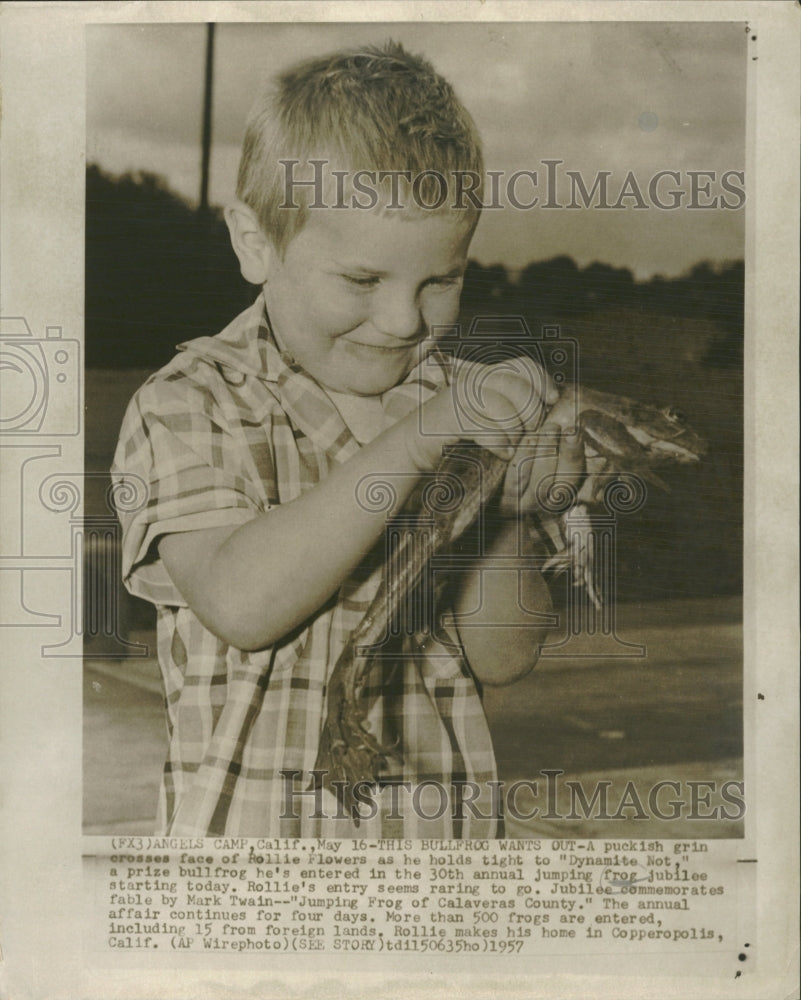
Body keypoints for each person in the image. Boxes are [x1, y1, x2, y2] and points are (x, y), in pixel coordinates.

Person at [112, 41, 583, 838]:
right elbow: (242, 603)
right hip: (252, 868)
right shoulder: (191, 402)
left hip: (438, 860)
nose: (405, 320)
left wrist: (504, 500)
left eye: (440, 280)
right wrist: (422, 438)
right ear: (256, 244)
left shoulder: (462, 406)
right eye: (362, 280)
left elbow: (503, 654)